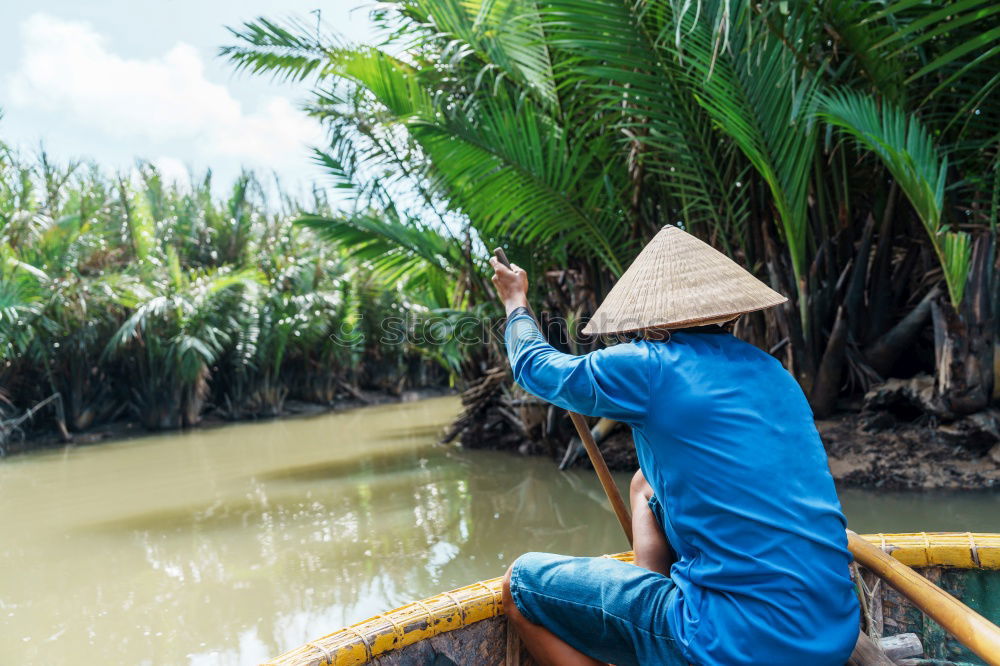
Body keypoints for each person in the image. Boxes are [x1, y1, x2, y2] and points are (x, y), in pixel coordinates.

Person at [489, 226, 859, 666]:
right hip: (833, 630)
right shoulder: (773, 371)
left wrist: (515, 300)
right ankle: (652, 616)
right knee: (645, 484)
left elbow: (536, 367)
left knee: (520, 584)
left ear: (649, 318)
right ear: (727, 312)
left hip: (735, 642)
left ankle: (671, 633)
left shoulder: (649, 367)